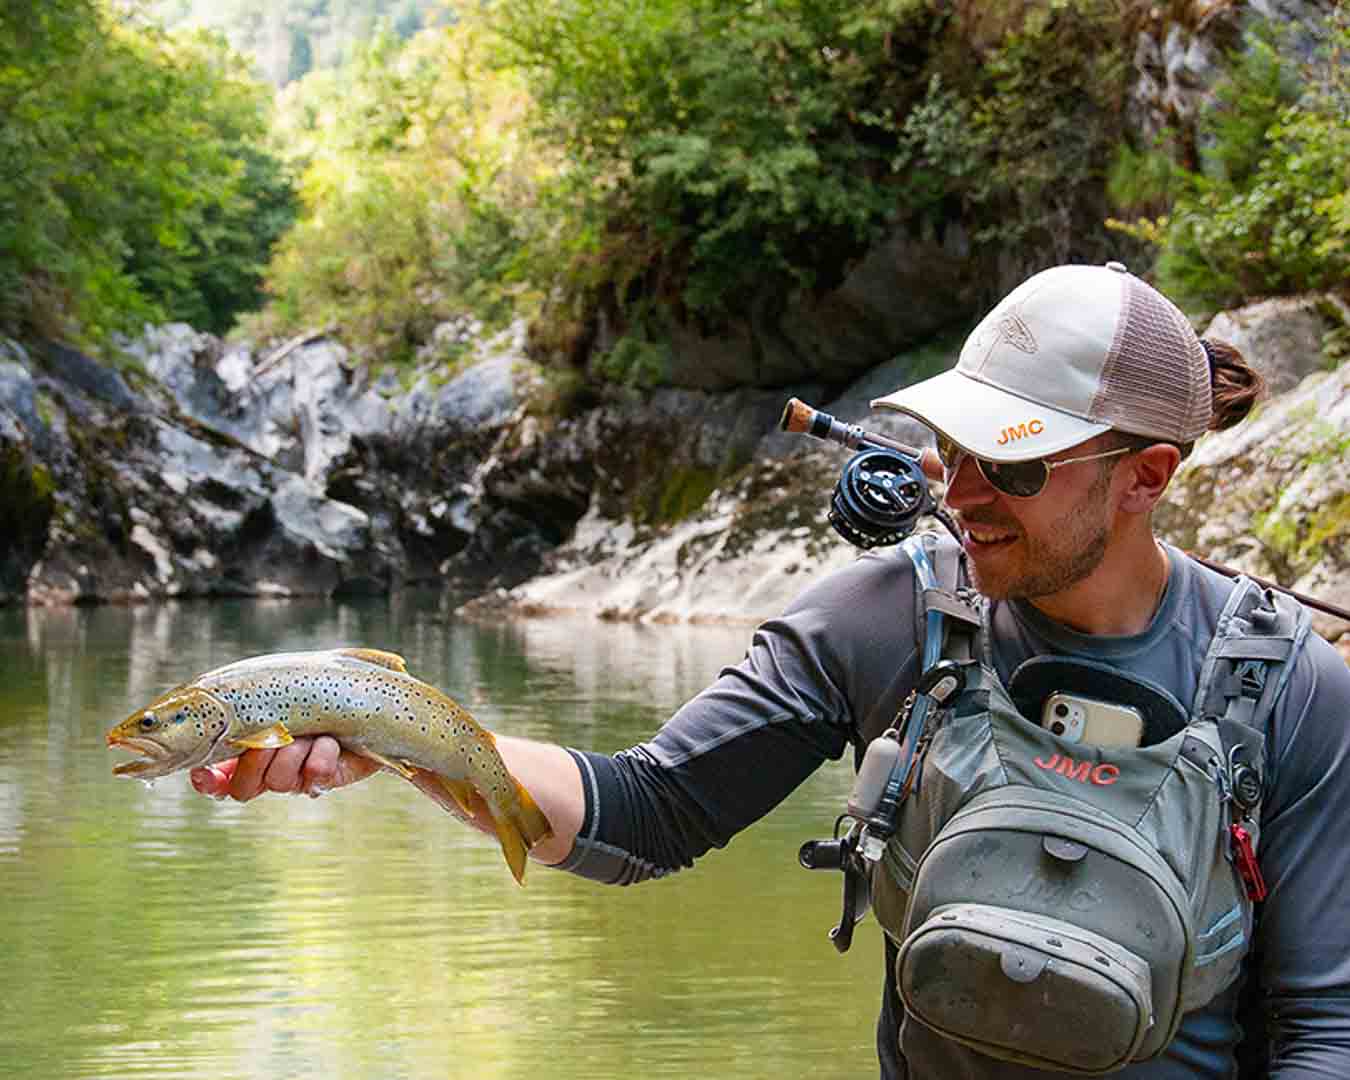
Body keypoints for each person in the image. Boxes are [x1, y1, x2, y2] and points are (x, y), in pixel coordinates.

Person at [191, 262, 1350, 1078]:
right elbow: (648, 812)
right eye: (952, 447)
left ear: (1147, 477)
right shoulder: (888, 618)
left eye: (1013, 466)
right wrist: (400, 737)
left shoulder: (1296, 693)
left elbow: (1325, 1030)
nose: (957, 493)